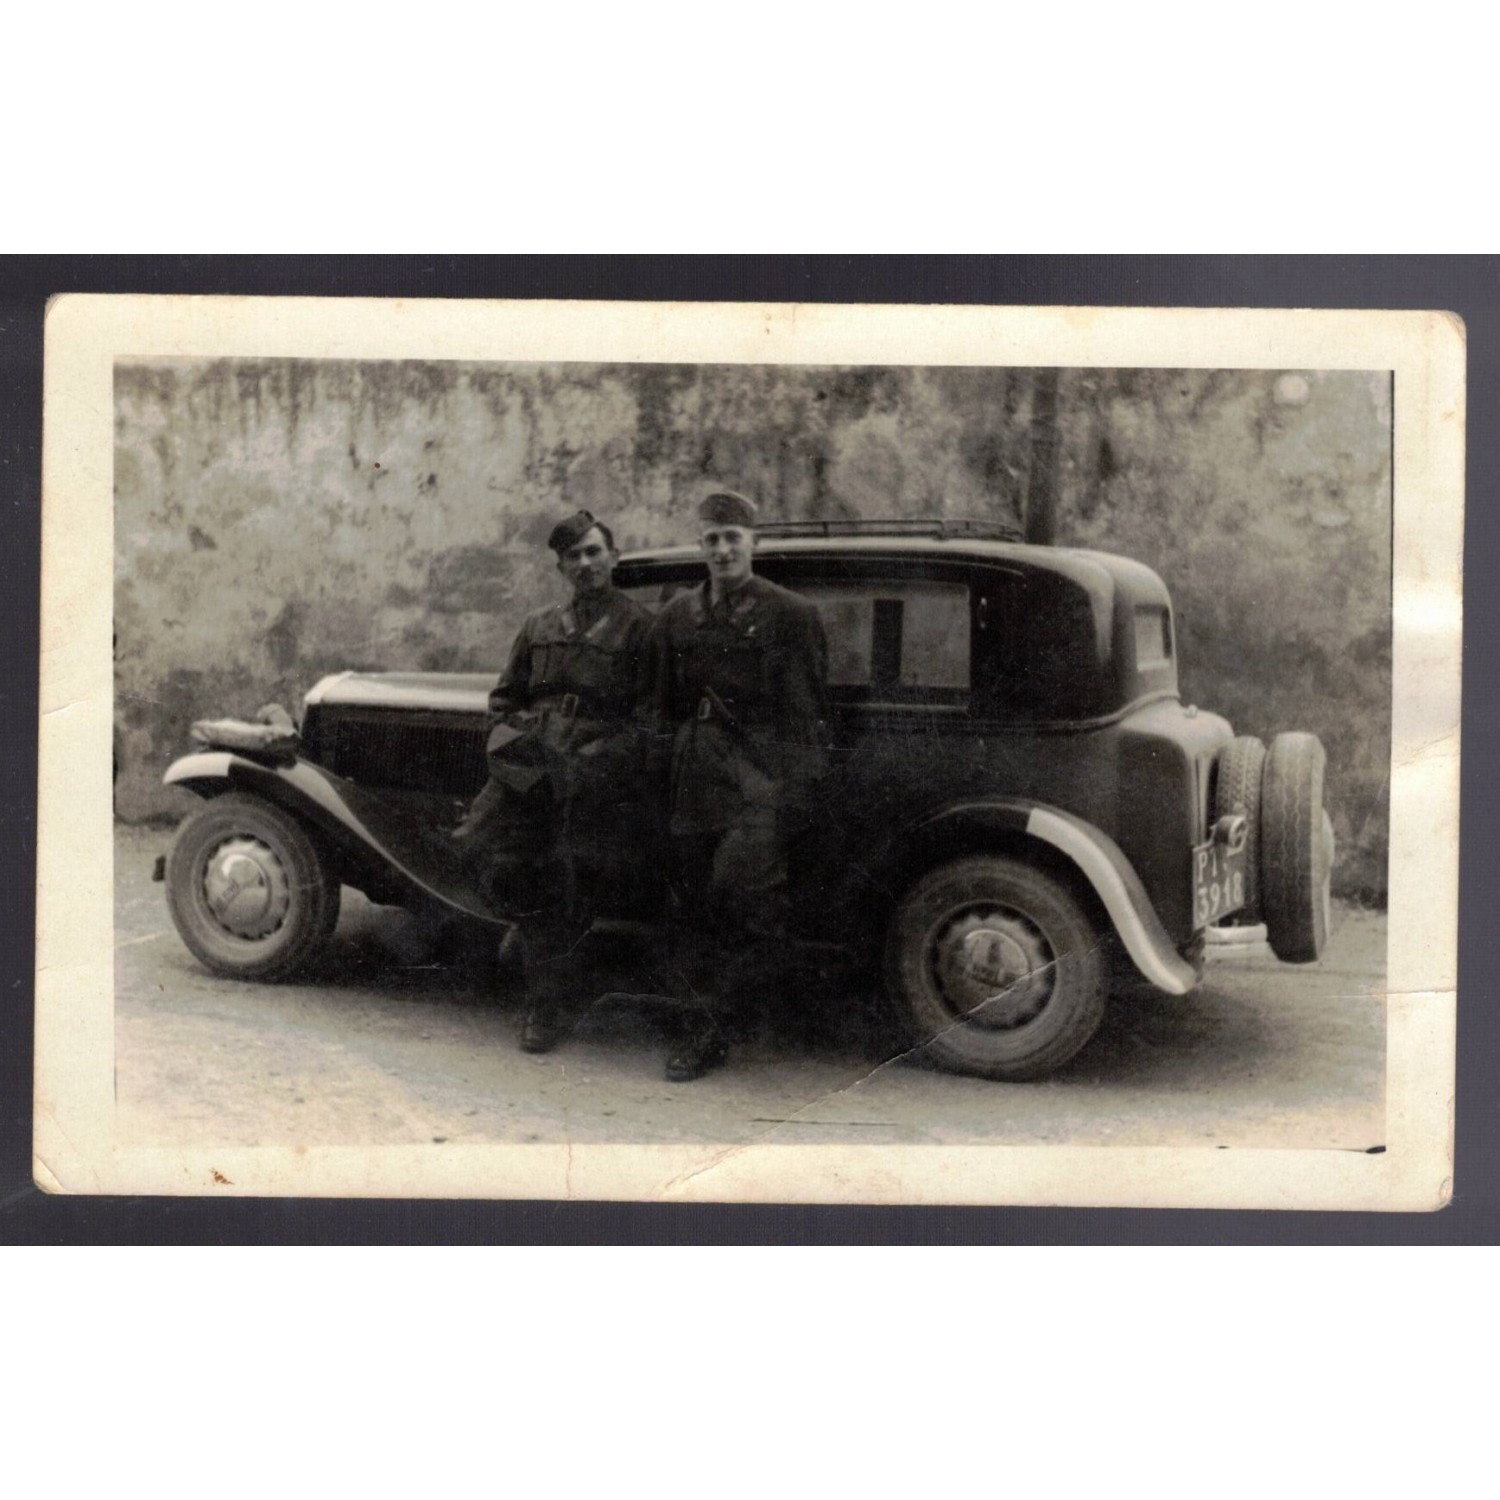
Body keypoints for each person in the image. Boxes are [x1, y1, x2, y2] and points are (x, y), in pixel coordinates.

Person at [638, 489, 830, 1081]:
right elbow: (658, 706)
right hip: (694, 776)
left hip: (758, 778)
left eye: (733, 539)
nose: (723, 550)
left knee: (741, 901)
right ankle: (704, 1019)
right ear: (701, 547)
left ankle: (718, 1027)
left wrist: (794, 796)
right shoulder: (677, 617)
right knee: (692, 905)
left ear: (754, 544)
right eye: (712, 539)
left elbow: (806, 713)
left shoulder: (789, 615)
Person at [452, 510, 653, 1053]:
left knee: (566, 881)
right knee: (474, 846)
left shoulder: (641, 629)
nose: (585, 564)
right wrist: (518, 751)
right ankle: (525, 926)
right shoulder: (539, 626)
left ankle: (548, 1005)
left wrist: (590, 764)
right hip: (529, 771)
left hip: (594, 782)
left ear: (613, 556)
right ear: (561, 567)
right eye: (574, 556)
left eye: (594, 552)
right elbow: (502, 701)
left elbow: (648, 722)